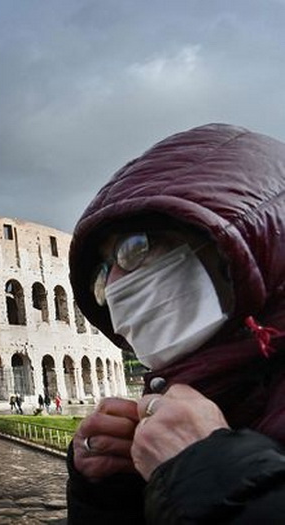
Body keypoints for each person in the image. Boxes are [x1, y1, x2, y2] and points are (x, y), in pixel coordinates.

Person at [66, 123, 285, 524]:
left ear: (235, 244)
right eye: (103, 271)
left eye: (135, 248)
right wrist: (111, 494)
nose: (113, 285)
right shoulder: (203, 394)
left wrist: (209, 472)